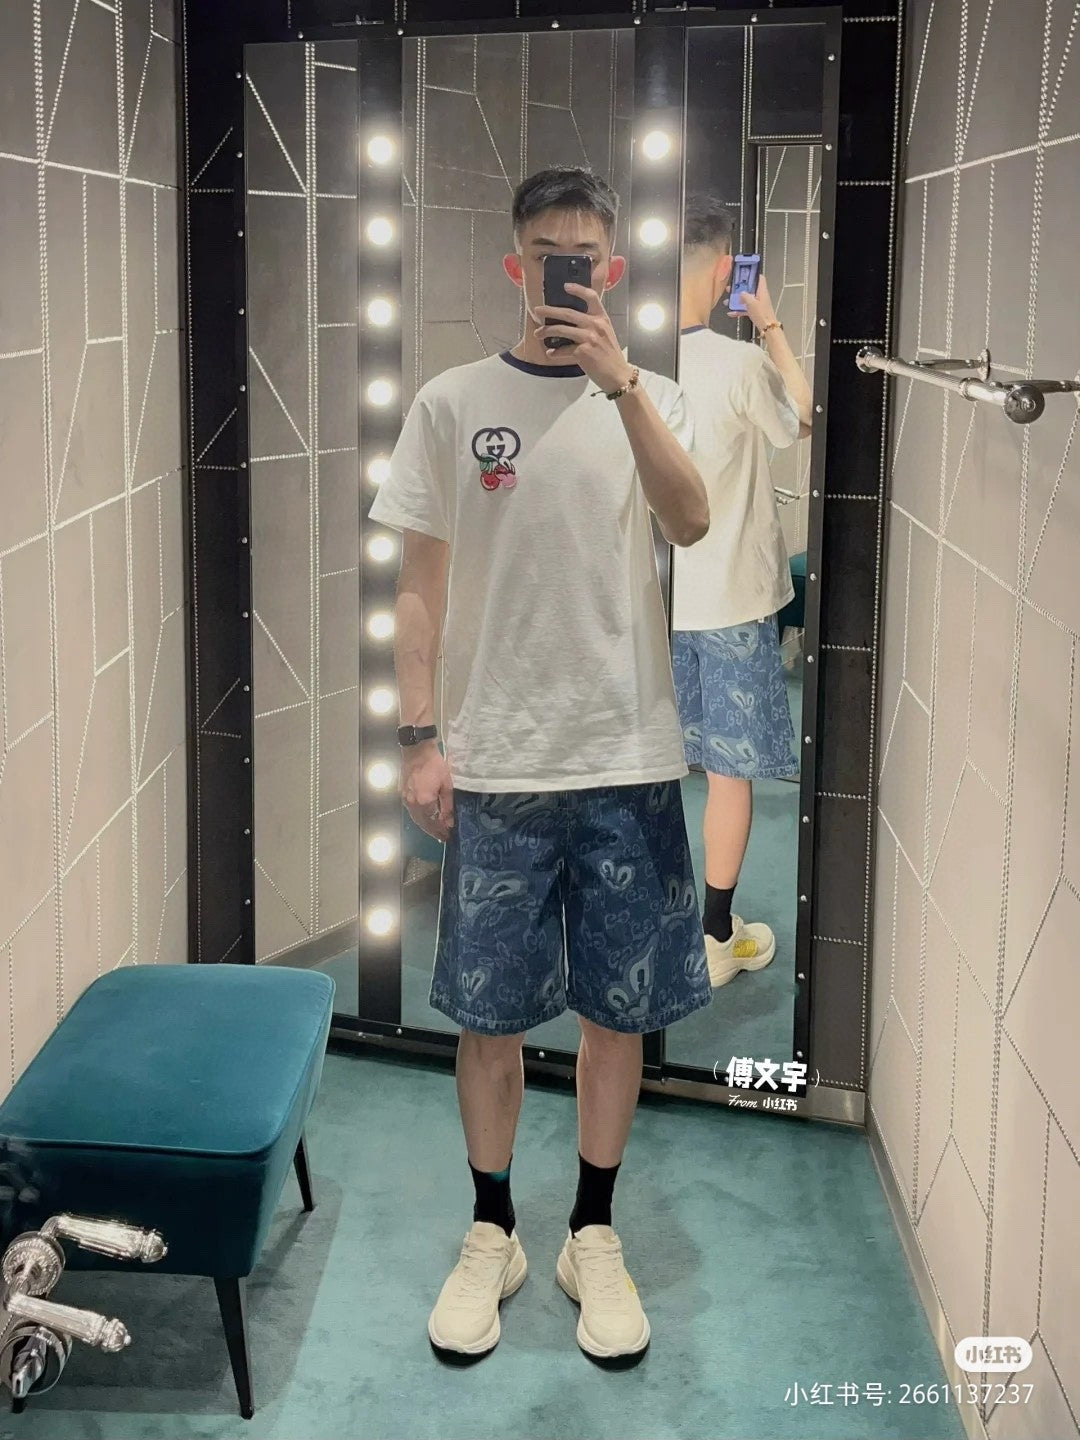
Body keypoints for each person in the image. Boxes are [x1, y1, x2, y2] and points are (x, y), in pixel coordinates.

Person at [368, 166, 711, 1363]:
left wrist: (622, 386)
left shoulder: (652, 395)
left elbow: (692, 519)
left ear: (610, 271)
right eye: (547, 255)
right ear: (519, 266)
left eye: (587, 257)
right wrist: (418, 737)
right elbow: (417, 588)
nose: (568, 272)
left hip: (625, 752)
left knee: (618, 1015)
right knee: (490, 1019)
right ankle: (494, 1229)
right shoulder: (451, 402)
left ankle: (593, 1235)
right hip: (498, 761)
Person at [671, 195, 813, 988]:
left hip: (656, 604)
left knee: (652, 770)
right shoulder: (738, 365)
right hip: (730, 604)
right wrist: (769, 323)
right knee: (729, 777)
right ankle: (717, 936)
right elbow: (803, 417)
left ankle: (656, 926)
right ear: (728, 267)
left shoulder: (626, 366)